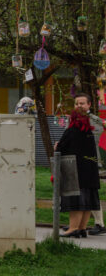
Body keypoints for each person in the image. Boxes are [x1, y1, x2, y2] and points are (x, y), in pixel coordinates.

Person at [57, 93, 101, 238]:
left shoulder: (73, 130)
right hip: (91, 168)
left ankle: (73, 228)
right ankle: (81, 228)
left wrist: (57, 145)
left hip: (77, 169)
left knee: (76, 199)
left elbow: (61, 147)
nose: (79, 106)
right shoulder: (91, 127)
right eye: (77, 103)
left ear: (89, 105)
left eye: (82, 103)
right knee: (87, 198)